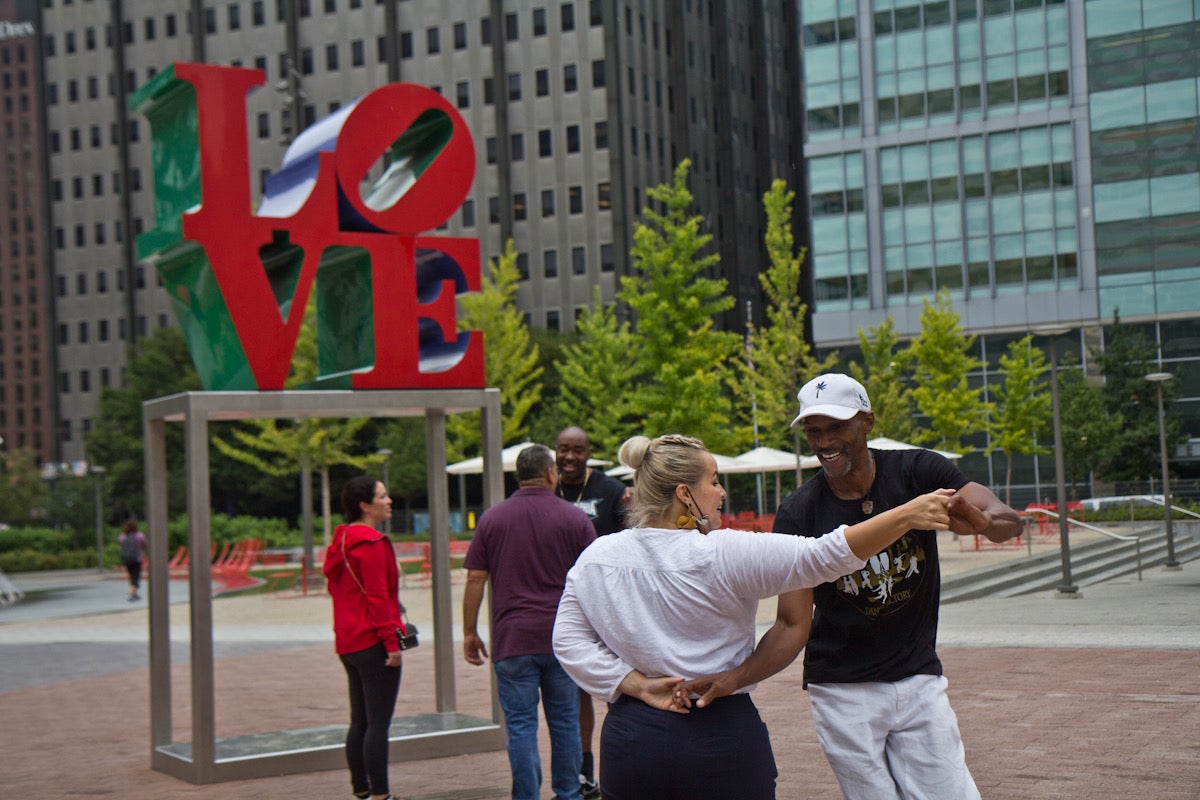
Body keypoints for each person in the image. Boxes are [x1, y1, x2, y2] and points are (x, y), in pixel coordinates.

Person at [552, 433, 956, 800]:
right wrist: (907, 514)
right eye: (712, 481)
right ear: (684, 494)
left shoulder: (597, 558)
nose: (721, 492)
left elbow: (567, 640)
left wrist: (634, 683)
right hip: (721, 733)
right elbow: (824, 555)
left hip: (633, 738)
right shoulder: (723, 552)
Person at [682, 373, 1023, 800]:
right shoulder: (799, 512)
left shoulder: (918, 471)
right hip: (842, 690)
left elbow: (1007, 519)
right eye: (813, 430)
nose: (824, 442)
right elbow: (792, 625)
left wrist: (986, 523)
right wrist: (735, 679)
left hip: (918, 679)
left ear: (867, 421)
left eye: (836, 427)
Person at [462, 444, 597, 800]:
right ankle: (568, 793)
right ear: (551, 474)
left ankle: (526, 796)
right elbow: (594, 578)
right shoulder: (574, 519)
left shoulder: (492, 519)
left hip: (512, 639)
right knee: (565, 722)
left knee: (520, 726)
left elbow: (475, 578)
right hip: (562, 639)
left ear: (518, 476)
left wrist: (469, 631)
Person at [554, 425, 630, 798]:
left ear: (589, 452)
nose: (570, 457)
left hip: (606, 604)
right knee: (575, 693)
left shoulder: (611, 491)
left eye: (578, 450)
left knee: (613, 687)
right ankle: (584, 771)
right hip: (563, 605)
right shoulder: (546, 488)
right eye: (563, 449)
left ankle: (622, 764)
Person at [324, 476, 408, 800]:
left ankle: (361, 789)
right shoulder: (372, 544)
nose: (389, 501)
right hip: (374, 643)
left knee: (359, 721)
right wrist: (393, 644)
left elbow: (336, 588)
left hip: (348, 642)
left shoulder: (341, 541)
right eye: (382, 496)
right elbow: (377, 597)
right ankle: (381, 795)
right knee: (378, 725)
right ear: (364, 505)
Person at [117, 519, 147, 601]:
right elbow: (144, 544)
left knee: (131, 576)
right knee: (136, 576)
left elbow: (120, 544)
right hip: (137, 559)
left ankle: (134, 593)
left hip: (126, 559)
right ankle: (131, 593)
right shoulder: (139, 535)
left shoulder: (122, 536)